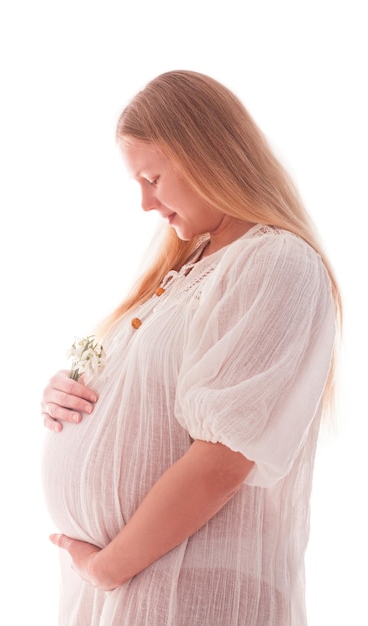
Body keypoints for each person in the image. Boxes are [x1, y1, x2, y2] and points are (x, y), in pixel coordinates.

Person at [41, 70, 341, 626]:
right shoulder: (189, 265)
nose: (145, 203)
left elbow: (223, 458)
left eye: (152, 177)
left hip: (185, 587)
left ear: (207, 156)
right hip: (133, 582)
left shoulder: (274, 261)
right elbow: (149, 397)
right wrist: (74, 395)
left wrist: (110, 568)